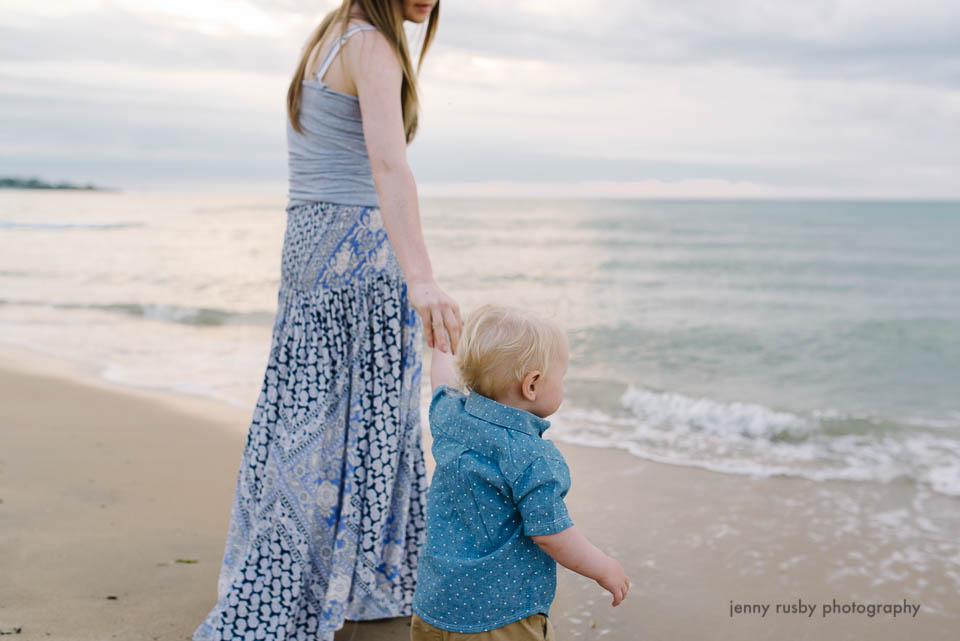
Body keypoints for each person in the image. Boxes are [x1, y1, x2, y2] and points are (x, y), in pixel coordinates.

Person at [193, 1, 462, 639]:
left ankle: (312, 577)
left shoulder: (330, 38)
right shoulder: (373, 46)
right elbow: (389, 165)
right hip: (356, 251)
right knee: (358, 420)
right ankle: (332, 582)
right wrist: (421, 277)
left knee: (307, 410)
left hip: (309, 241)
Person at [411, 305, 629, 640]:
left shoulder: (450, 416)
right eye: (563, 376)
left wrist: (442, 342)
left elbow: (441, 380)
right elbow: (551, 534)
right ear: (533, 384)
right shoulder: (533, 458)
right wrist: (603, 568)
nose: (564, 383)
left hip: (434, 606)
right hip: (501, 617)